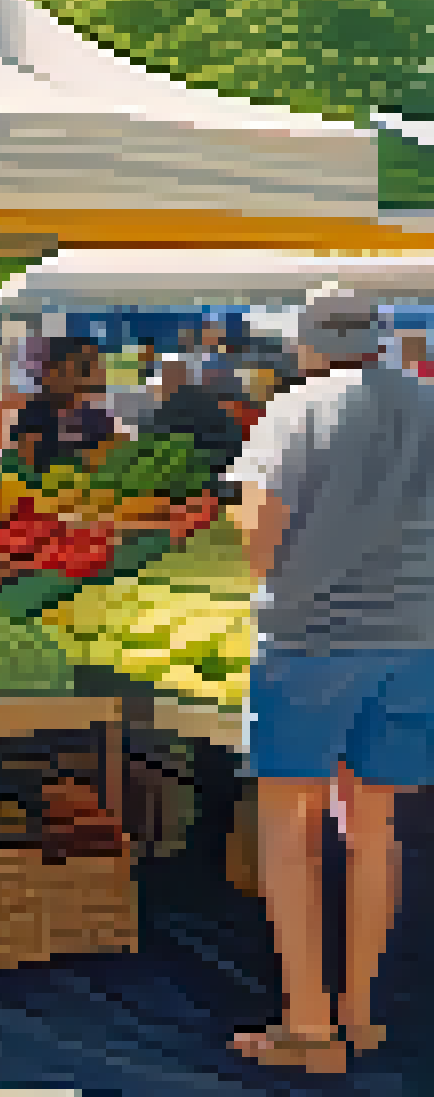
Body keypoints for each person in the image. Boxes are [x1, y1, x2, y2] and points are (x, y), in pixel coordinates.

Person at [221, 283, 434, 1072]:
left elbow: (259, 541)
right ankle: (364, 1014)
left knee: (292, 832)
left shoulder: (294, 412)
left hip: (309, 645)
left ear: (309, 346)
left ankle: (309, 1027)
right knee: (373, 829)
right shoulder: (427, 404)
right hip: (415, 643)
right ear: (381, 340)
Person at [140, 356, 247, 498]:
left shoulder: (166, 410)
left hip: (180, 485)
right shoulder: (210, 401)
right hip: (215, 481)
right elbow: (235, 440)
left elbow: (152, 448)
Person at [11, 336, 119, 474]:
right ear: (49, 371)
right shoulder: (32, 416)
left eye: (92, 368)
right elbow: (27, 466)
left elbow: (109, 461)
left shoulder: (98, 419)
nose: (92, 376)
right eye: (83, 368)